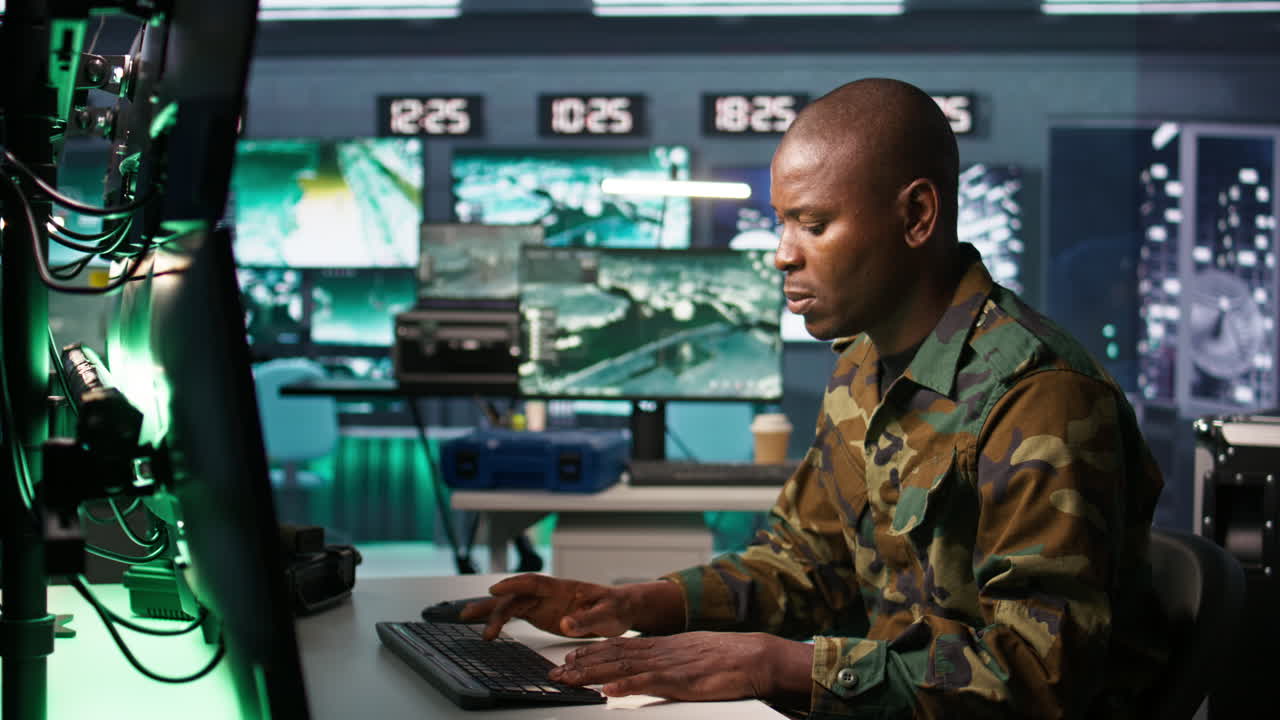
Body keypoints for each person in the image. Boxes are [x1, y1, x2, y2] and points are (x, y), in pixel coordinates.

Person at [460, 77, 1169, 719]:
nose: (781, 253)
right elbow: (802, 564)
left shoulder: (1041, 399)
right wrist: (631, 605)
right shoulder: (864, 366)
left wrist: (783, 664)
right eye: (781, 222)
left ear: (917, 216)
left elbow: (1042, 678)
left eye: (814, 223)